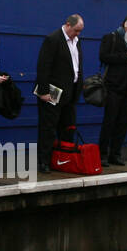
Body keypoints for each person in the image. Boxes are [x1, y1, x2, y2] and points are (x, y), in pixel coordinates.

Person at [34, 14, 84, 173]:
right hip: (53, 91)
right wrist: (43, 91)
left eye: (80, 31)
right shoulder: (53, 40)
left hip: (70, 92)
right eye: (76, 30)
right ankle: (44, 161)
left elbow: (75, 65)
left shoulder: (77, 41)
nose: (78, 34)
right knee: (48, 128)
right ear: (68, 25)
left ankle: (63, 159)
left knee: (67, 127)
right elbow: (43, 66)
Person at [98, 12, 127, 166]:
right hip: (113, 86)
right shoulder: (111, 37)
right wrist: (125, 57)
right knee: (109, 121)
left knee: (122, 123)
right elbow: (104, 57)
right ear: (126, 25)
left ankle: (115, 154)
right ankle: (102, 154)